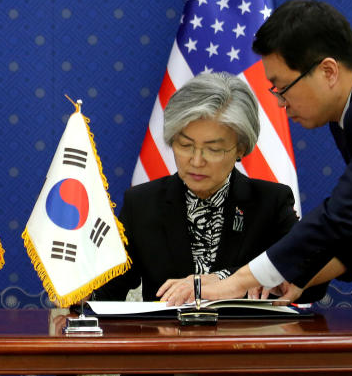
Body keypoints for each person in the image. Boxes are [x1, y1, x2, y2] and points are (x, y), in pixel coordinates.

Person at [175, 0, 352, 304]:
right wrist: (298, 277)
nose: (280, 103)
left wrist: (235, 283)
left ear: (328, 71)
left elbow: (341, 215)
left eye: (282, 87)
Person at [95, 73, 324, 304]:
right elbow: (106, 292)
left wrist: (227, 279)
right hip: (166, 336)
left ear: (241, 148)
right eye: (185, 145)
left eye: (213, 149)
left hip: (245, 337)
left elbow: (311, 279)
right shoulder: (142, 203)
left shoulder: (270, 202)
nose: (196, 161)